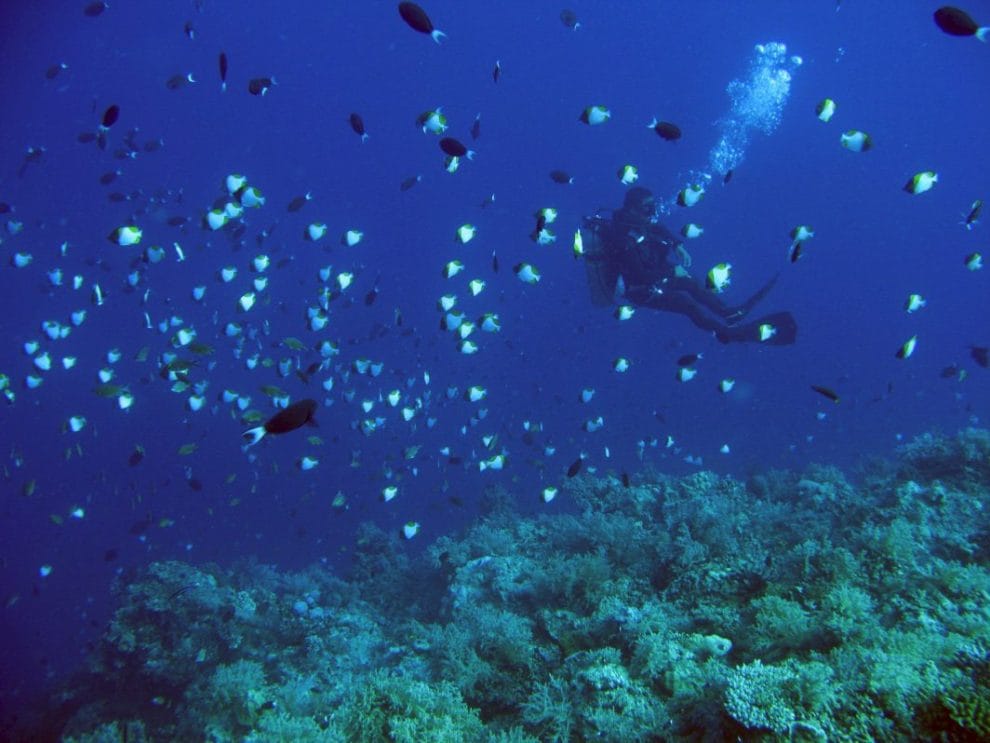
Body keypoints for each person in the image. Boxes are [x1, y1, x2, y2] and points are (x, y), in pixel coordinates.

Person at [582, 187, 797, 344]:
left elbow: (658, 229)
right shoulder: (622, 236)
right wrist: (672, 271)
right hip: (637, 289)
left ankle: (729, 313)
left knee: (690, 283)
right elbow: (640, 275)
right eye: (647, 209)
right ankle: (728, 332)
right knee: (687, 304)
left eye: (653, 207)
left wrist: (678, 245)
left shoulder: (641, 224)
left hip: (651, 275)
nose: (652, 212)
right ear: (631, 210)